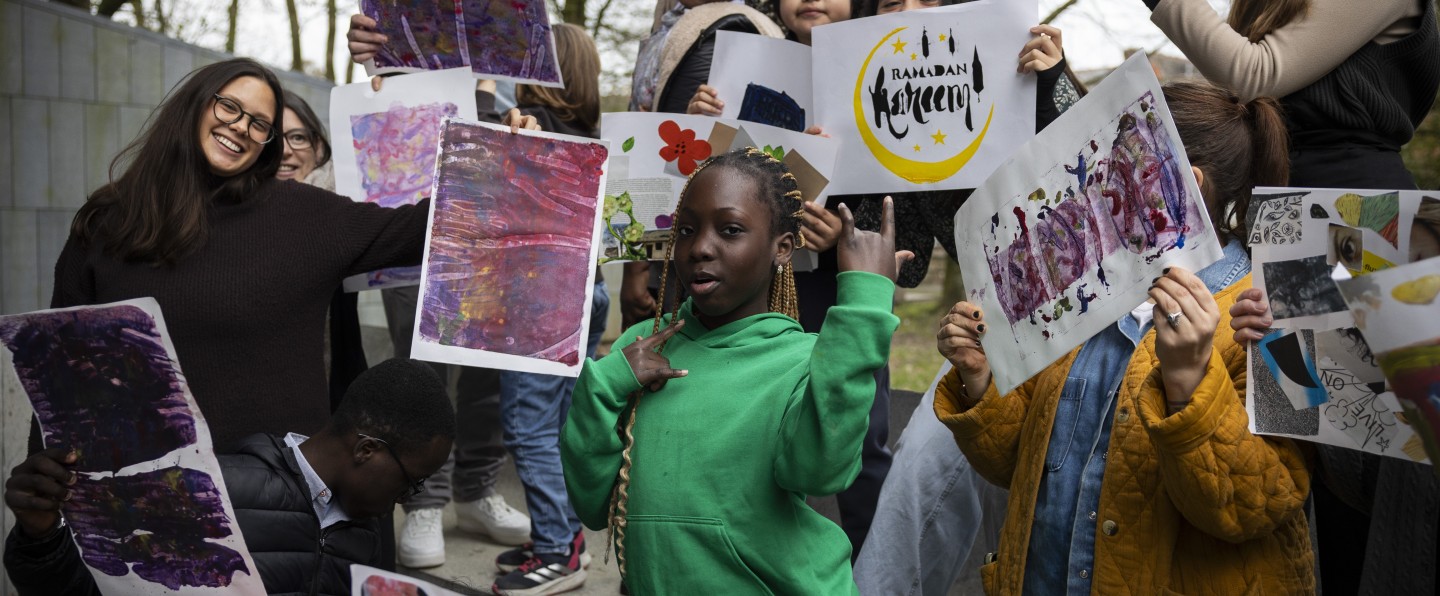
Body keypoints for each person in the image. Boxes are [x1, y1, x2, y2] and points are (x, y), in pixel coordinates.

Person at [933, 81, 1314, 594]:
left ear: (1185, 184)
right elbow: (1017, 470)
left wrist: (1189, 382)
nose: (1090, 185)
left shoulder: (1282, 308)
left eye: (1113, 165)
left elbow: (1262, 503)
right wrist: (980, 379)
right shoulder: (1076, 295)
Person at [1143, 2, 1440, 591]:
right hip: (1283, 225)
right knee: (1311, 476)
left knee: (1387, 500)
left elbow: (1252, 73)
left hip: (1361, 224)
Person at [562, 147, 906, 593]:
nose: (700, 247)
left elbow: (821, 472)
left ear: (782, 247)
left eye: (730, 230)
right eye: (686, 230)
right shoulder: (639, 349)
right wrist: (605, 385)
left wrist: (862, 305)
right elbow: (592, 504)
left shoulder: (805, 360)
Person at [42, 58, 430, 455]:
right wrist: (43, 487)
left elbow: (427, 226)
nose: (242, 126)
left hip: (274, 503)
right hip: (145, 498)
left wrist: (495, 149)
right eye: (229, 106)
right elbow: (59, 374)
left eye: (260, 124)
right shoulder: (108, 221)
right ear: (193, 106)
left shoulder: (308, 217)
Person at [3, 358, 456, 596]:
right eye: (409, 482)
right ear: (366, 450)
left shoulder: (366, 538)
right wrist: (41, 537)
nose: (404, 500)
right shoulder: (214, 490)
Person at [276, 90, 369, 412]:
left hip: (337, 392)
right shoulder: (234, 215)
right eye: (272, 138)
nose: (284, 151)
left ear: (319, 147)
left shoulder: (349, 205)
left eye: (297, 137)